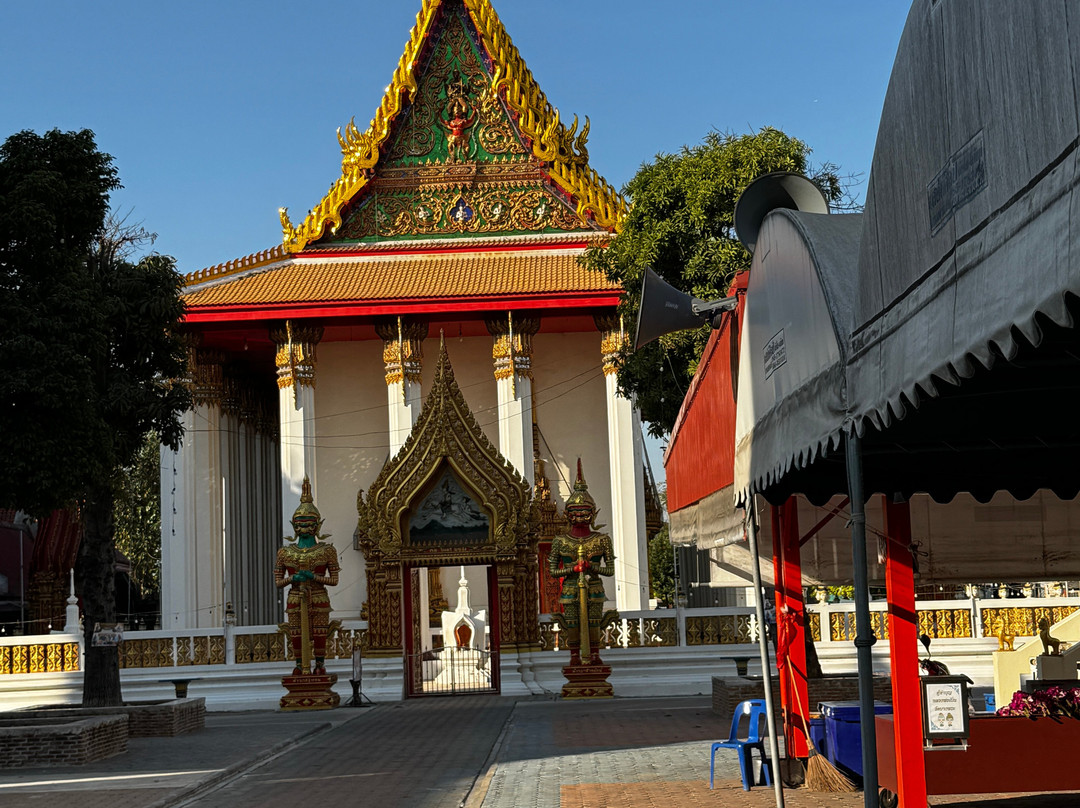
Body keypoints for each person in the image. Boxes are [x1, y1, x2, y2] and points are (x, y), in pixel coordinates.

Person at [548, 460, 615, 665]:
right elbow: (552, 571)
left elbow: (610, 570)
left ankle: (594, 655)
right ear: (568, 515)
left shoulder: (601, 540)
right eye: (575, 512)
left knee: (594, 623)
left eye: (585, 512)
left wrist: (591, 567)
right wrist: (572, 568)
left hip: (594, 589)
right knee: (573, 624)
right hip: (569, 589)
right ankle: (575, 656)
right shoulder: (560, 541)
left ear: (592, 514)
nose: (580, 516)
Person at [275, 478, 340, 675]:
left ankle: (319, 665)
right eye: (300, 523)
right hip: (295, 597)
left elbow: (334, 580)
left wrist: (314, 577)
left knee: (320, 633)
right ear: (294, 525)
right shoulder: (285, 553)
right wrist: (292, 579)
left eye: (308, 523)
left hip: (319, 597)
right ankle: (298, 665)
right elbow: (278, 582)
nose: (304, 528)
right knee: (296, 633)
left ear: (317, 525)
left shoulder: (327, 551)